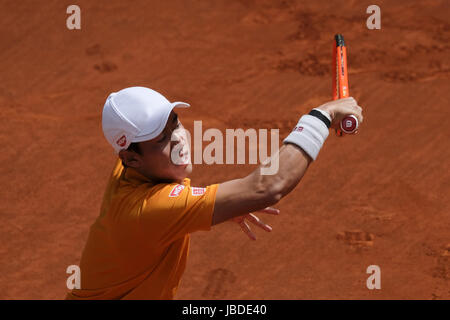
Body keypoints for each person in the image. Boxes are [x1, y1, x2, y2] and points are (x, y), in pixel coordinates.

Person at [66, 86, 363, 299]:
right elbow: (268, 186)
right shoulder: (146, 211)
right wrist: (322, 117)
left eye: (175, 124)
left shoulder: (134, 171)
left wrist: (224, 205)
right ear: (131, 158)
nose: (179, 140)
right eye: (162, 140)